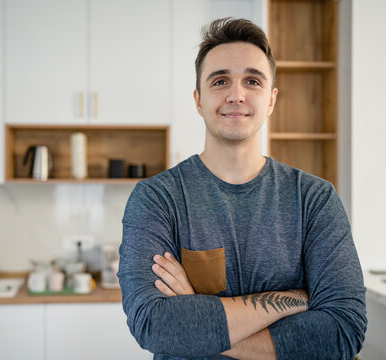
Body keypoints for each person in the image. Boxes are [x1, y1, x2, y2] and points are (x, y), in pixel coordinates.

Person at [118, 18, 367, 360]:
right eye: (220, 81)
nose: (236, 95)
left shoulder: (315, 199)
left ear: (271, 101)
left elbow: (343, 331)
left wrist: (199, 316)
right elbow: (155, 326)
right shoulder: (156, 199)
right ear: (198, 99)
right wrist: (295, 300)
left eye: (252, 80)